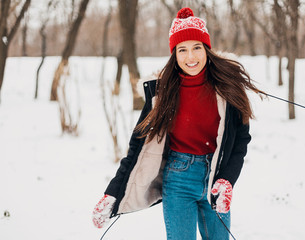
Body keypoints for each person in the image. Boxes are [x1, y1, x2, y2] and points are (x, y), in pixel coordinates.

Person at [92, 7, 262, 240]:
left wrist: (227, 179)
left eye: (196, 48)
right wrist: (113, 192)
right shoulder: (161, 93)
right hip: (179, 179)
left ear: (207, 49)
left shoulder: (227, 88)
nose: (190, 57)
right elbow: (137, 147)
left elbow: (241, 139)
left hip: (216, 176)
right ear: (174, 54)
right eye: (182, 50)